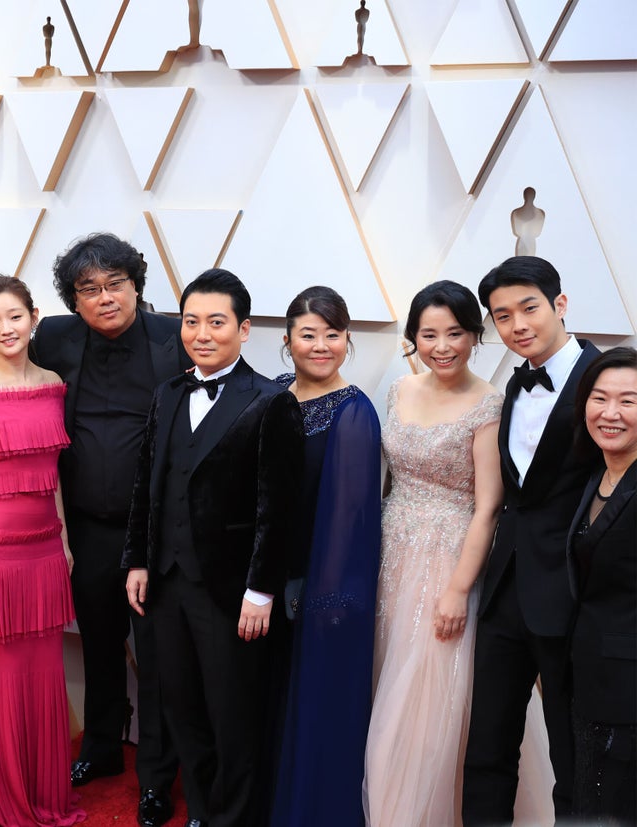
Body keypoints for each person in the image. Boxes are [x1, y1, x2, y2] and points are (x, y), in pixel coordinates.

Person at [124, 269, 305, 827]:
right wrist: (136, 559)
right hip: (167, 583)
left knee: (233, 717)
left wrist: (261, 590)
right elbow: (146, 485)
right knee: (183, 710)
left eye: (217, 322)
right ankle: (201, 811)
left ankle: (234, 818)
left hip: (231, 591)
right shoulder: (168, 393)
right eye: (191, 321)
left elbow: (280, 511)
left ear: (244, 329)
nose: (201, 333)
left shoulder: (271, 402)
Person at [35, 232, 185, 827]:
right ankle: (100, 749)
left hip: (152, 532)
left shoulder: (174, 337)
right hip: (87, 528)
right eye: (88, 289)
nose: (104, 298)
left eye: (115, 284)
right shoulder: (54, 337)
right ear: (74, 300)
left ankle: (156, 775)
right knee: (98, 644)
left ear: (136, 286)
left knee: (155, 654)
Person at [363, 280, 513, 825]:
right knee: (387, 676)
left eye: (455, 333)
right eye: (429, 334)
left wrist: (456, 590)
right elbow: (383, 481)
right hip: (390, 551)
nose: (442, 346)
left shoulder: (488, 403)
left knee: (428, 695)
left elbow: (489, 505)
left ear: (475, 335)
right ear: (413, 338)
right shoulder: (398, 390)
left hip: (449, 558)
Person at [464, 256, 602, 823]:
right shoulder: (511, 387)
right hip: (504, 592)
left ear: (559, 305)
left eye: (529, 308)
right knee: (488, 746)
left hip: (573, 593)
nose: (517, 324)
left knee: (574, 755)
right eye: (502, 316)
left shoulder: (606, 382)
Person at [0, 275, 86, 827]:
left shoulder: (53, 383)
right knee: (0, 681)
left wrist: (66, 540)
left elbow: (52, 473)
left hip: (46, 549)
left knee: (43, 677)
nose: (6, 328)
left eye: (14, 316)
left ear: (33, 317)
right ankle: (8, 801)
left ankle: (45, 791)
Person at [269, 286, 380, 826]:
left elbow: (351, 518)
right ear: (287, 340)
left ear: (347, 340)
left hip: (318, 589)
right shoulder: (270, 395)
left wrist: (324, 598)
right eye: (308, 335)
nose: (320, 346)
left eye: (332, 335)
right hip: (263, 581)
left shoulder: (354, 411)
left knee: (315, 706)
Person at [566, 346, 636, 824]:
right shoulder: (597, 475)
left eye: (629, 401)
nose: (610, 413)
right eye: (600, 398)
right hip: (591, 681)